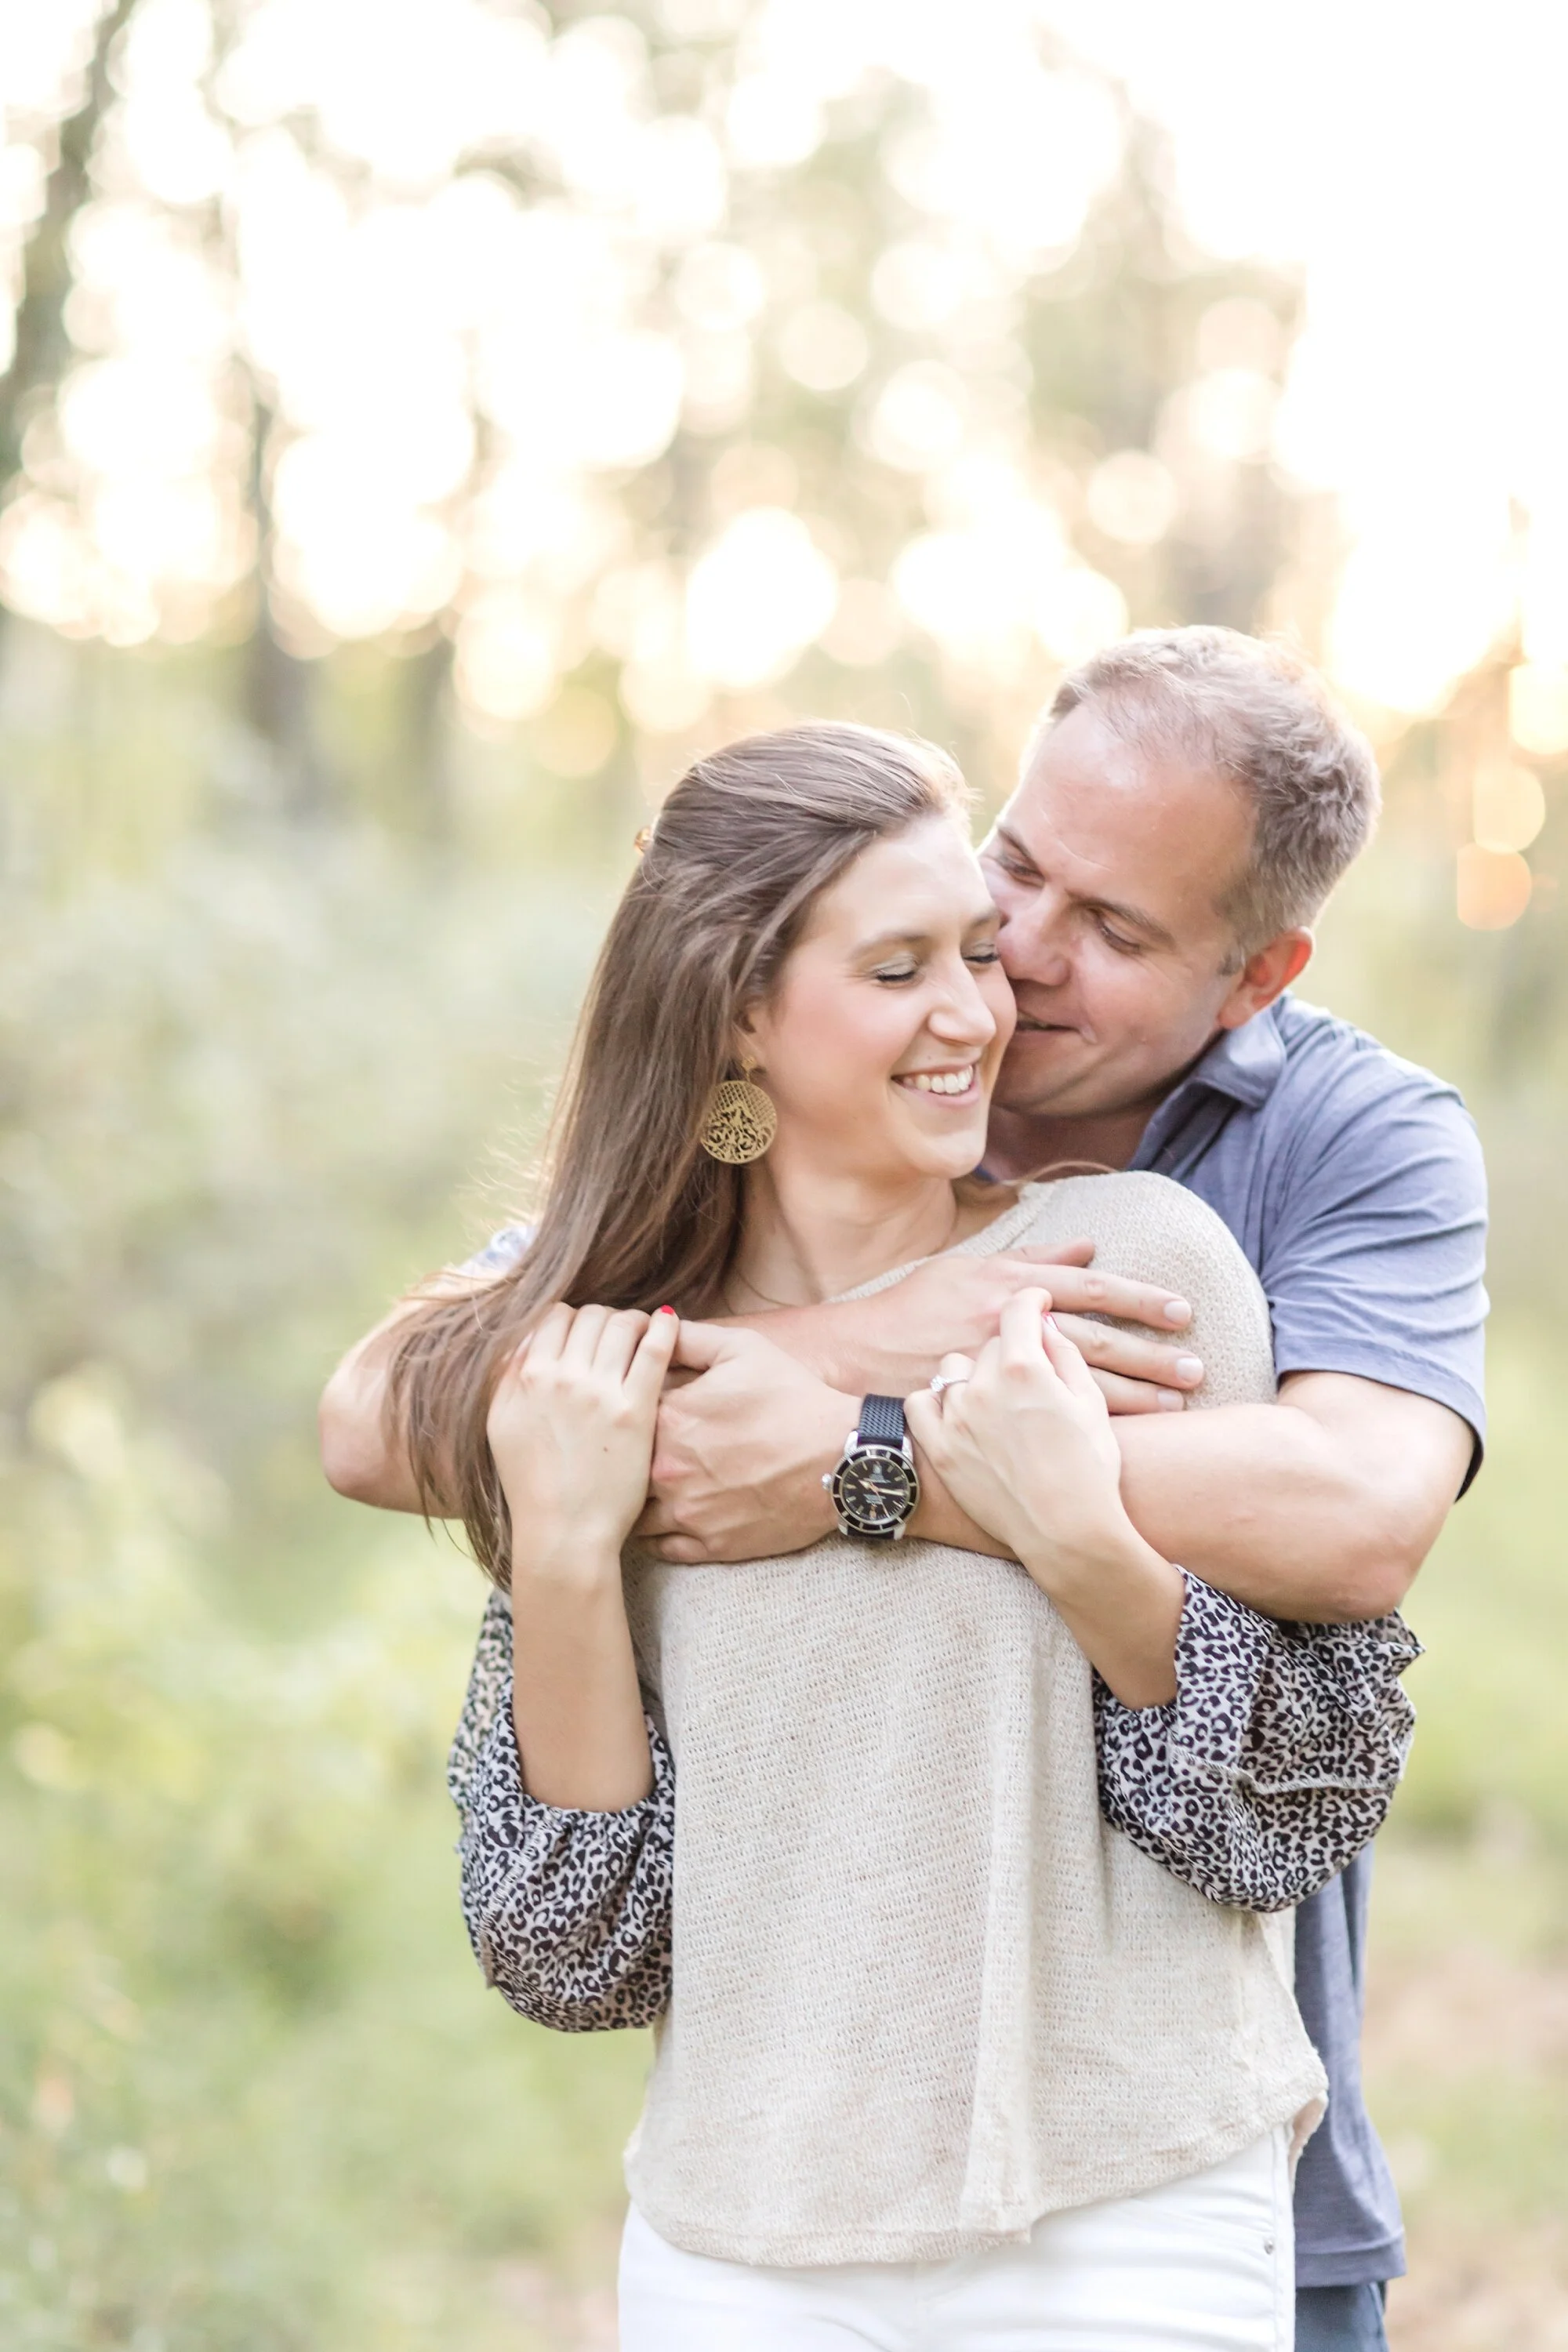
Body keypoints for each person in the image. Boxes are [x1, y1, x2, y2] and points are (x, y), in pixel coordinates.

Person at [325, 712, 1428, 2350]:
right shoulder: (609, 1364)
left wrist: (1056, 1528)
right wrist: (564, 1551)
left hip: (1125, 2213)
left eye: (975, 954)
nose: (980, 1012)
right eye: (900, 967)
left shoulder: (1129, 1271)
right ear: (738, 1019)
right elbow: (575, 1948)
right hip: (741, 2245)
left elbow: (1281, 1811)